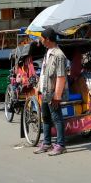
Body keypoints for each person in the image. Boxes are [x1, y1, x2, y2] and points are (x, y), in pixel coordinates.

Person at [34, 28, 68, 156]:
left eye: (42, 39)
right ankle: (47, 143)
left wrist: (57, 96)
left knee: (57, 118)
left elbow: (61, 77)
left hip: (53, 93)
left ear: (48, 39)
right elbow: (43, 73)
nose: (41, 42)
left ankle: (61, 145)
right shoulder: (48, 52)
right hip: (45, 91)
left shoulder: (59, 55)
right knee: (46, 117)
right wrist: (38, 87)